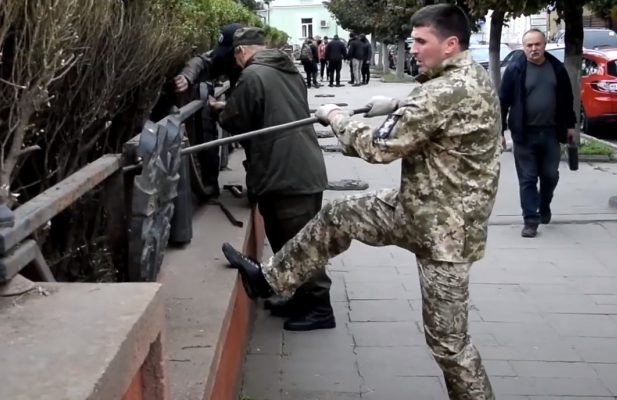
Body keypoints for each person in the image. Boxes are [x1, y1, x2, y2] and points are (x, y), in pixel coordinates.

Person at [221, 4, 500, 399]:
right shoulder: (470, 76)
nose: (413, 48)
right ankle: (269, 279)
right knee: (338, 215)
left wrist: (335, 116)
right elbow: (438, 116)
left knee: (449, 345)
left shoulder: (443, 91)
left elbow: (377, 148)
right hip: (424, 207)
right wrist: (397, 104)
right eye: (413, 39)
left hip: (444, 233)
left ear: (450, 44)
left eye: (422, 41)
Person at [209, 27, 335, 331]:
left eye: (232, 58)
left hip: (286, 171)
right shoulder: (284, 70)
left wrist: (219, 110)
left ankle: (319, 308)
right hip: (298, 166)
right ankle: (302, 298)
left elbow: (236, 120)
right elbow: (269, 108)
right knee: (290, 240)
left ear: (240, 52)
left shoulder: (252, 76)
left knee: (300, 241)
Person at [499, 29, 576, 238]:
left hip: (551, 132)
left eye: (537, 44)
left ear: (544, 45)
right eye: (529, 45)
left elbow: (567, 100)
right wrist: (500, 131)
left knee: (550, 175)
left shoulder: (557, 68)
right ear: (523, 47)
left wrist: (570, 126)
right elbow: (503, 102)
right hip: (524, 134)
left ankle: (544, 203)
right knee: (528, 178)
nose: (533, 49)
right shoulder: (515, 69)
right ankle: (530, 220)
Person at [173, 23, 245, 197]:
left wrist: (225, 106)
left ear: (240, 51)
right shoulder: (229, 59)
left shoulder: (256, 71)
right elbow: (202, 61)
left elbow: (253, 108)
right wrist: (187, 76)